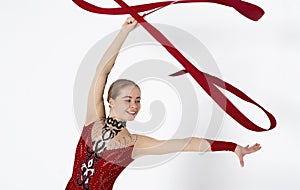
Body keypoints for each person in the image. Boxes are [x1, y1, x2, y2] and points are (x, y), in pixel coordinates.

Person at [66, 17, 261, 190]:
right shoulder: (92, 119)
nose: (134, 105)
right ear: (111, 101)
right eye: (128, 100)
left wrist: (232, 147)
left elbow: (185, 144)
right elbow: (102, 71)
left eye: (138, 100)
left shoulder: (135, 144)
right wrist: (123, 33)